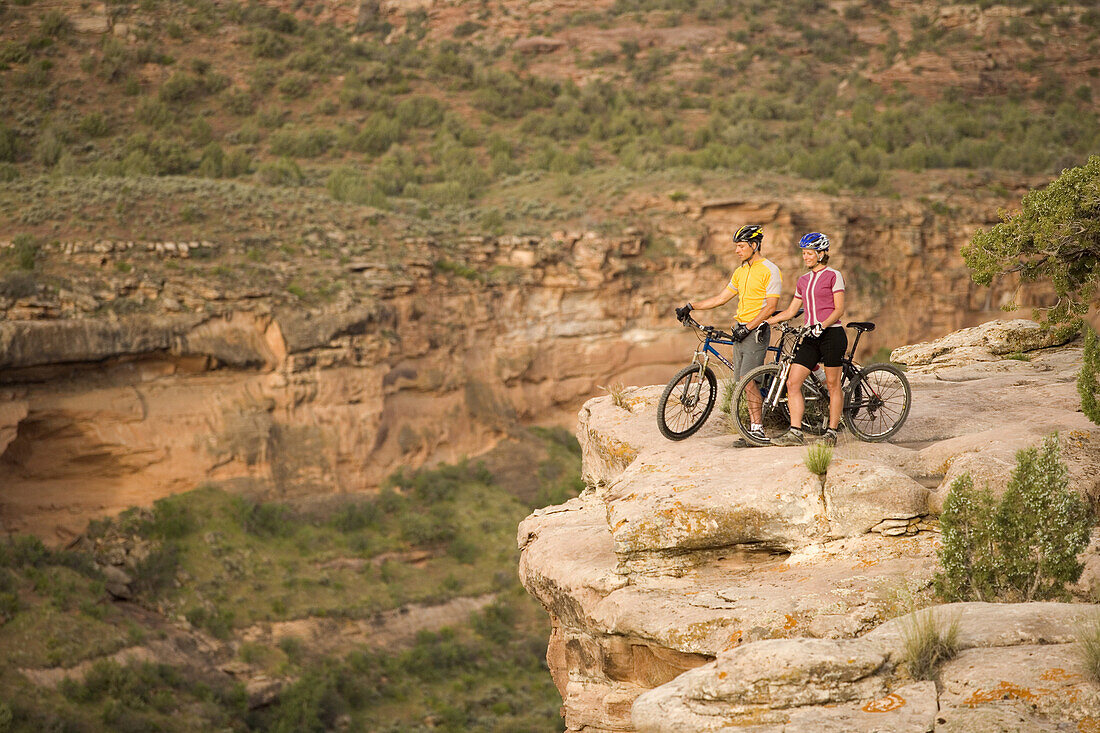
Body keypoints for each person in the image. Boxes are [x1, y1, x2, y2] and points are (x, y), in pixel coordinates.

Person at [674, 224, 782, 445]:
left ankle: (757, 431)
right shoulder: (741, 272)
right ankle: (751, 428)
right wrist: (690, 306)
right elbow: (720, 299)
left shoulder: (770, 269)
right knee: (741, 381)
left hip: (756, 331)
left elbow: (771, 307)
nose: (737, 250)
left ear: (754, 245)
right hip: (740, 330)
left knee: (747, 380)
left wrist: (749, 327)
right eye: (737, 246)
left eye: (741, 246)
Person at [766, 232, 846, 447]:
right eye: (803, 253)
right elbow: (792, 310)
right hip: (810, 336)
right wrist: (767, 321)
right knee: (793, 383)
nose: (805, 257)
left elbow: (839, 309)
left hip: (831, 334)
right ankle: (795, 432)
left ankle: (832, 431)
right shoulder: (803, 280)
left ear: (821, 254)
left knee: (832, 384)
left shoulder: (833, 275)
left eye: (809, 253)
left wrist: (823, 325)